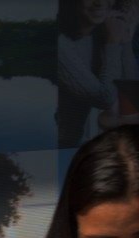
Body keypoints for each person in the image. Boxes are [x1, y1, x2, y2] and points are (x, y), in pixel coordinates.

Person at [58, 0, 139, 147]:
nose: (99, 3)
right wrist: (113, 42)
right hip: (56, 145)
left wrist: (125, 39)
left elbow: (130, 94)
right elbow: (105, 99)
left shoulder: (102, 32)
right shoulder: (61, 45)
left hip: (76, 142)